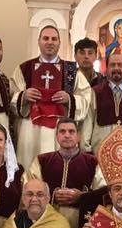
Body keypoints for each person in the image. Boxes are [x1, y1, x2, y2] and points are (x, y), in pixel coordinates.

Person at [10, 25, 91, 169]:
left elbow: (86, 98)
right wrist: (23, 96)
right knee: (29, 168)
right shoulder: (24, 69)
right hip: (30, 130)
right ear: (39, 41)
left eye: (54, 39)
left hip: (59, 130)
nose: (50, 42)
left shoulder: (71, 71)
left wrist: (69, 99)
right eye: (45, 38)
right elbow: (11, 97)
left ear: (60, 43)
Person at [27, 117, 100, 228]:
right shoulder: (42, 161)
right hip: (48, 222)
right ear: (57, 137)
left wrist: (81, 197)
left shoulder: (93, 162)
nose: (67, 135)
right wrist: (52, 195)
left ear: (78, 136)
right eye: (62, 131)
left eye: (71, 131)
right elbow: (31, 189)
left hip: (81, 222)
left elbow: (101, 192)